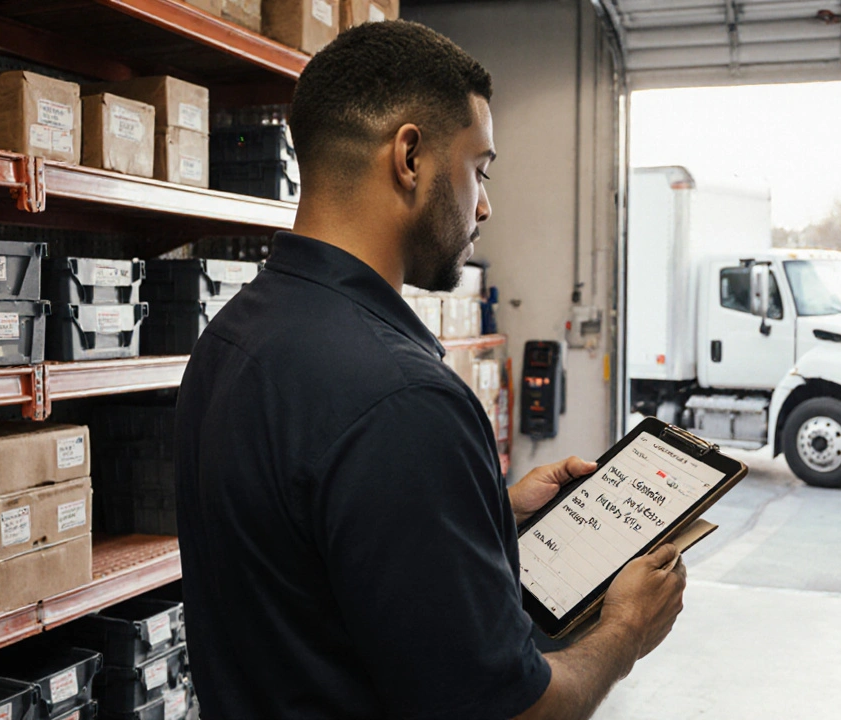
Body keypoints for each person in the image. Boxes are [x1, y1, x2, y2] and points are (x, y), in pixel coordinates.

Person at [173, 20, 686, 720]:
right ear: (409, 156)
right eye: (480, 168)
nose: (484, 204)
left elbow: (306, 557)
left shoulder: (233, 336)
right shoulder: (402, 397)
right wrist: (627, 631)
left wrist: (488, 515)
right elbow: (515, 712)